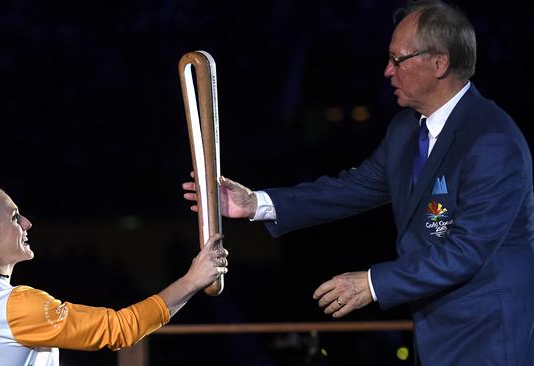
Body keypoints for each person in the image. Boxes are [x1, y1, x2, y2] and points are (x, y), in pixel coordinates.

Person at [183, 1, 533, 365]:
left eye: (398, 60)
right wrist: (255, 203)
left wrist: (371, 283)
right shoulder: (404, 130)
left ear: (439, 63)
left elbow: (467, 250)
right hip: (435, 330)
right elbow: (353, 188)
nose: (387, 71)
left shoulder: (492, 140)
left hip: (490, 335)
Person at [0, 186, 228, 365]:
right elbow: (119, 329)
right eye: (13, 217)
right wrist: (191, 281)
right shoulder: (19, 306)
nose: (27, 223)